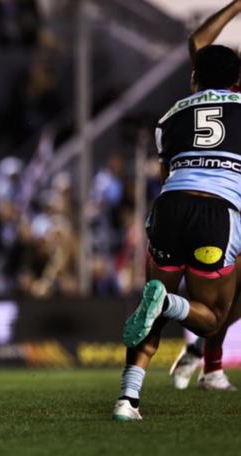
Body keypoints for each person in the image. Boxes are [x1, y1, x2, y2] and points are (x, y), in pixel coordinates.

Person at [112, 45, 241, 421]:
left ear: (193, 78)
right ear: (237, 80)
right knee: (213, 316)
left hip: (169, 208)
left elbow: (169, 172)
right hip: (217, 213)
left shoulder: (169, 116)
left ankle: (127, 398)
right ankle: (171, 305)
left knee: (149, 308)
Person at [169, 0, 241, 392]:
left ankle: (203, 355)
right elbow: (198, 41)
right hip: (222, 199)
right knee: (223, 294)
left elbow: (197, 40)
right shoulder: (220, 89)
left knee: (232, 299)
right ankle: (209, 365)